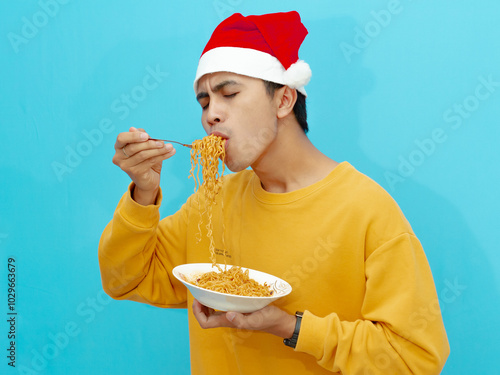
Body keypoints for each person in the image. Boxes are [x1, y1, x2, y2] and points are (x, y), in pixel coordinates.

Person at [98, 11, 450, 374]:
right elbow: (125, 279)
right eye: (204, 103)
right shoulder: (213, 200)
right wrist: (143, 192)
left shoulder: (366, 210)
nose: (210, 116)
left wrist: (290, 327)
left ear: (283, 100)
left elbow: (414, 360)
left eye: (229, 93)